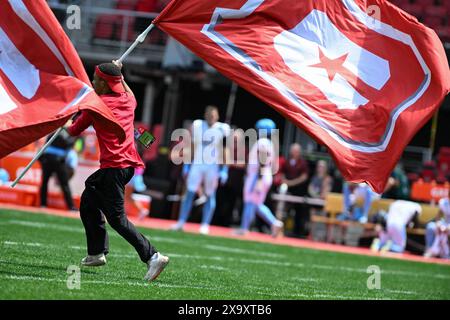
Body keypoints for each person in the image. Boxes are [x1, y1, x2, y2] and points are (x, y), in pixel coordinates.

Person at [66, 60, 169, 282]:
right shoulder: (129, 99)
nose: (93, 82)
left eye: (95, 79)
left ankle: (153, 256)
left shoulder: (96, 105)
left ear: (104, 83)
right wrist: (119, 73)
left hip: (113, 167)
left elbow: (74, 130)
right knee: (88, 201)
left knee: (117, 219)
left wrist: (59, 121)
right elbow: (123, 85)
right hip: (127, 167)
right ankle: (96, 253)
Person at [170, 106, 230, 235]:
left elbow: (225, 150)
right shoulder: (197, 125)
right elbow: (191, 146)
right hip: (197, 164)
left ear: (218, 116)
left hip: (212, 166)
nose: (211, 117)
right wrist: (187, 164)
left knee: (210, 195)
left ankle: (205, 224)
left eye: (213, 115)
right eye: (209, 115)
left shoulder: (222, 128)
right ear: (205, 115)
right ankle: (181, 221)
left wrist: (224, 169)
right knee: (190, 193)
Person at [235, 119, 283, 237]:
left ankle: (244, 228)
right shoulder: (269, 143)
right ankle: (274, 223)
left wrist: (259, 180)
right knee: (256, 204)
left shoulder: (262, 142)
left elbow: (262, 161)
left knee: (250, 202)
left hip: (258, 176)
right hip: (263, 175)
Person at [38, 129, 77, 211]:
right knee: (62, 183)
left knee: (49, 182)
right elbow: (69, 146)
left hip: (51, 159)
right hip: (55, 160)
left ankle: (43, 204)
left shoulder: (56, 133)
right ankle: (70, 207)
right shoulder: (64, 134)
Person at [280, 143, 309, 236]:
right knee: (284, 210)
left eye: (296, 151)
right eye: (293, 150)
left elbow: (304, 177)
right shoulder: (287, 161)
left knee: (299, 213)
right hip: (288, 190)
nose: (294, 152)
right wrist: (285, 181)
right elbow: (282, 173)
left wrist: (291, 183)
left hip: (299, 190)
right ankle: (282, 230)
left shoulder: (303, 163)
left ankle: (297, 232)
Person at [424, 191, 450, 259]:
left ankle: (444, 253)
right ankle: (429, 249)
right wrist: (438, 224)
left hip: (448, 226)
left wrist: (448, 228)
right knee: (431, 226)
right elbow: (438, 216)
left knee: (444, 232)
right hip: (445, 223)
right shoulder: (444, 202)